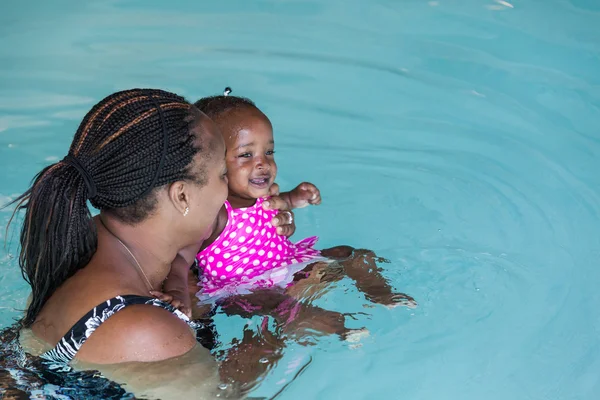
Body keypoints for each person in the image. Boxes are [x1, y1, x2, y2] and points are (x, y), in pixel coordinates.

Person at [6, 88, 298, 397]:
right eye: (223, 175)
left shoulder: (79, 238)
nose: (229, 194)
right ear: (182, 196)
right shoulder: (147, 331)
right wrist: (277, 334)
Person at [158, 88, 416, 342]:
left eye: (268, 152)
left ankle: (380, 294)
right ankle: (339, 330)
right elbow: (180, 260)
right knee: (282, 306)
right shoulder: (214, 215)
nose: (262, 163)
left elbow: (278, 205)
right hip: (244, 291)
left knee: (349, 254)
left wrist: (297, 197)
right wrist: (179, 295)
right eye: (246, 155)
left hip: (289, 269)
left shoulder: (264, 196)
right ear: (211, 162)